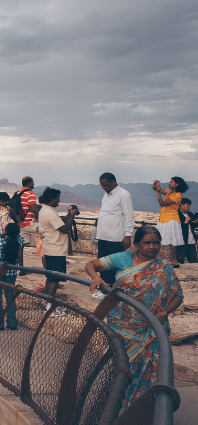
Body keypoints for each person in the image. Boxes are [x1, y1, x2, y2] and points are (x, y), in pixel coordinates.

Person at [85, 226, 183, 410]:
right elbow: (91, 264)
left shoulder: (164, 267)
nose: (152, 246)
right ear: (137, 244)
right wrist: (95, 277)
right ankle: (117, 411)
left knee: (151, 371)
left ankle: (144, 411)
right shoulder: (123, 258)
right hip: (123, 328)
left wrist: (162, 313)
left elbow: (178, 295)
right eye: (147, 242)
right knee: (123, 371)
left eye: (156, 242)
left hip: (152, 331)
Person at [37, 187, 79, 317]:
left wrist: (67, 216)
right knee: (54, 279)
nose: (59, 201)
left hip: (49, 248)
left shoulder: (45, 210)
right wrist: (71, 216)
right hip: (56, 249)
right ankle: (50, 308)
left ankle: (47, 304)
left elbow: (57, 224)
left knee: (50, 277)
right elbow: (65, 229)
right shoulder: (50, 213)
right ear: (53, 199)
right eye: (58, 198)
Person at [93, 172, 135, 298]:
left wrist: (128, 235)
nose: (103, 188)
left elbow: (129, 217)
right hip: (103, 236)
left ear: (113, 182)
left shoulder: (124, 195)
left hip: (116, 238)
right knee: (102, 264)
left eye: (105, 185)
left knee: (115, 265)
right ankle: (105, 290)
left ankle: (116, 292)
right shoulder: (106, 195)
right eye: (102, 186)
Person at [0, 223, 24, 330]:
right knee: (10, 297)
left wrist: (2, 233)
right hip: (11, 272)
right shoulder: (20, 240)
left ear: (6, 231)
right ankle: (12, 322)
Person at [154, 177, 189, 267]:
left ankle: (174, 261)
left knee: (172, 240)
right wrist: (155, 185)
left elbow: (162, 203)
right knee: (163, 239)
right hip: (164, 218)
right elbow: (156, 189)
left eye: (171, 182)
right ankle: (170, 260)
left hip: (171, 219)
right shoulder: (169, 192)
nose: (169, 183)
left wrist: (158, 192)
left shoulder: (178, 195)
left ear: (177, 184)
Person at [176, 198, 198, 264]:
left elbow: (193, 226)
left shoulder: (190, 214)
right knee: (180, 261)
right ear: (181, 205)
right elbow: (176, 227)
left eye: (189, 205)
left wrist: (196, 222)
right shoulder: (176, 215)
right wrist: (185, 222)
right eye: (187, 205)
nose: (189, 207)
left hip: (191, 242)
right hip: (181, 242)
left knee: (194, 261)